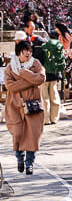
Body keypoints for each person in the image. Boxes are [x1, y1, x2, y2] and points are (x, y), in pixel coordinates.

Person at [4, 41, 47, 175]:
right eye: (25, 51)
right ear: (19, 52)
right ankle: (19, 158)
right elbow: (10, 86)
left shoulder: (36, 64)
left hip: (33, 105)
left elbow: (41, 78)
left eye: (29, 50)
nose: (28, 53)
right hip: (15, 106)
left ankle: (29, 164)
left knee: (32, 136)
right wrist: (30, 80)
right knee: (17, 134)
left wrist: (23, 74)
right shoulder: (10, 67)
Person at [39, 24, 68, 125]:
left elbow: (41, 59)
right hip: (55, 74)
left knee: (45, 97)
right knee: (54, 95)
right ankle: (54, 118)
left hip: (45, 73)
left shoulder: (45, 46)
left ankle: (46, 119)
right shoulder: (59, 45)